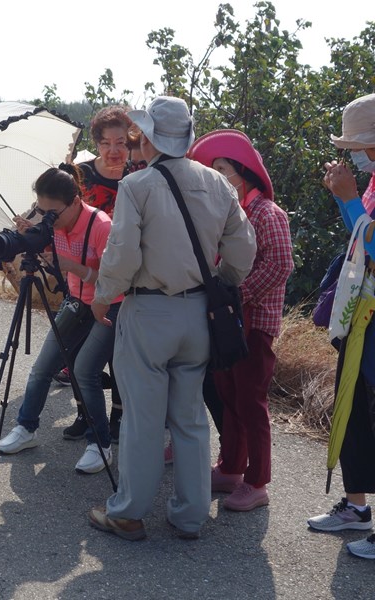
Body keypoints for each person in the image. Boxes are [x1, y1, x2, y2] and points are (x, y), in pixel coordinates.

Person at [86, 96, 256, 541]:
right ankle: (189, 515)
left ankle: (129, 512)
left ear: (148, 138)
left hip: (149, 309)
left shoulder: (137, 186)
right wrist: (222, 281)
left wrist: (103, 296)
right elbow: (243, 250)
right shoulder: (218, 184)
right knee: (190, 417)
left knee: (144, 417)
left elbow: (121, 253)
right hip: (200, 312)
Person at [188, 129, 294, 511]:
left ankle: (257, 481)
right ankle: (231, 466)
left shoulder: (268, 212)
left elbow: (281, 264)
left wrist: (238, 295)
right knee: (228, 394)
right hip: (229, 321)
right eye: (213, 169)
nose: (218, 176)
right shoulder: (232, 212)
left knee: (251, 401)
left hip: (256, 322)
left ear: (243, 171)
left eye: (223, 169)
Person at [0, 165, 121, 473]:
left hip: (109, 306)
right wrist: (28, 235)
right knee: (42, 368)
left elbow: (115, 279)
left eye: (53, 212)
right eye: (42, 210)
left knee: (84, 371)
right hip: (76, 303)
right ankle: (26, 427)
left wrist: (72, 266)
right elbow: (46, 252)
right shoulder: (53, 223)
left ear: (76, 201)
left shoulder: (101, 226)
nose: (48, 217)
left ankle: (100, 444)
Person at [308, 92, 375, 560]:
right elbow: (360, 236)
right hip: (362, 316)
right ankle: (356, 507)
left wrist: (349, 199)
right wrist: (345, 199)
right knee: (353, 407)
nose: (352, 153)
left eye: (358, 144)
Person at [61, 106, 138, 443]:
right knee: (79, 352)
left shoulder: (140, 175)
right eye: (106, 143)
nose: (113, 150)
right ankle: (86, 414)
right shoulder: (80, 175)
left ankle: (118, 417)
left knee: (120, 356)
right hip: (83, 277)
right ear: (97, 143)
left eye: (121, 142)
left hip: (127, 280)